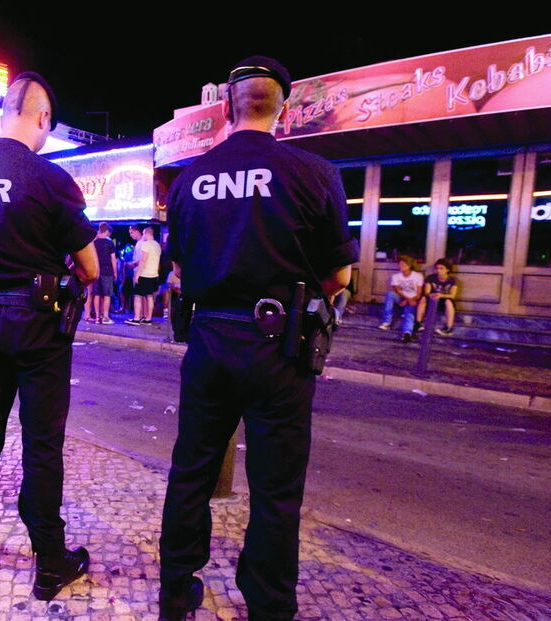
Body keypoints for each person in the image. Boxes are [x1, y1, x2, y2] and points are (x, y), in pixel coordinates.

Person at [158, 56, 357, 621]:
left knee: (192, 467)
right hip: (280, 347)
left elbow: (179, 266)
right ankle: (268, 605)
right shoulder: (314, 172)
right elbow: (338, 275)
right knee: (275, 488)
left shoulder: (188, 178)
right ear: (284, 110)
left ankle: (175, 590)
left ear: (227, 106)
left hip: (209, 338)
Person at [0, 71, 98, 599]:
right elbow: (91, 266)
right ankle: (50, 560)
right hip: (37, 324)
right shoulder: (48, 177)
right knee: (42, 444)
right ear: (42, 119)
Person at [378, 255, 423, 342]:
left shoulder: (418, 276)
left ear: (409, 266)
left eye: (403, 264)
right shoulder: (396, 276)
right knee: (390, 294)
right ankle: (387, 322)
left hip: (413, 299)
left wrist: (408, 301)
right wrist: (406, 300)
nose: (400, 266)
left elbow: (418, 294)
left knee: (409, 312)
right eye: (400, 264)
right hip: (402, 298)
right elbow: (398, 291)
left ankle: (407, 332)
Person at [126, 225, 162, 325]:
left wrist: (137, 275)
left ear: (146, 233)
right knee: (149, 296)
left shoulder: (146, 244)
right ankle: (148, 319)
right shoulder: (157, 245)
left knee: (138, 296)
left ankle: (136, 318)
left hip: (144, 274)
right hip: (153, 274)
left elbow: (143, 260)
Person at [416, 258, 458, 336]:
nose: (438, 270)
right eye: (437, 268)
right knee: (423, 298)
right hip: (432, 301)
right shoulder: (431, 277)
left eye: (441, 268)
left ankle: (449, 328)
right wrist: (431, 294)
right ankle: (418, 323)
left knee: (449, 301)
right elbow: (427, 292)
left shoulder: (452, 280)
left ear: (447, 270)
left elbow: (452, 295)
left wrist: (441, 295)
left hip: (443, 302)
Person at [89, 222, 117, 323]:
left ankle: (97, 317)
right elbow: (113, 259)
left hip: (97, 271)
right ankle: (105, 317)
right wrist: (115, 272)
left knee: (96, 294)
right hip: (107, 271)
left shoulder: (94, 242)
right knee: (107, 295)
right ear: (106, 231)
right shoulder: (109, 243)